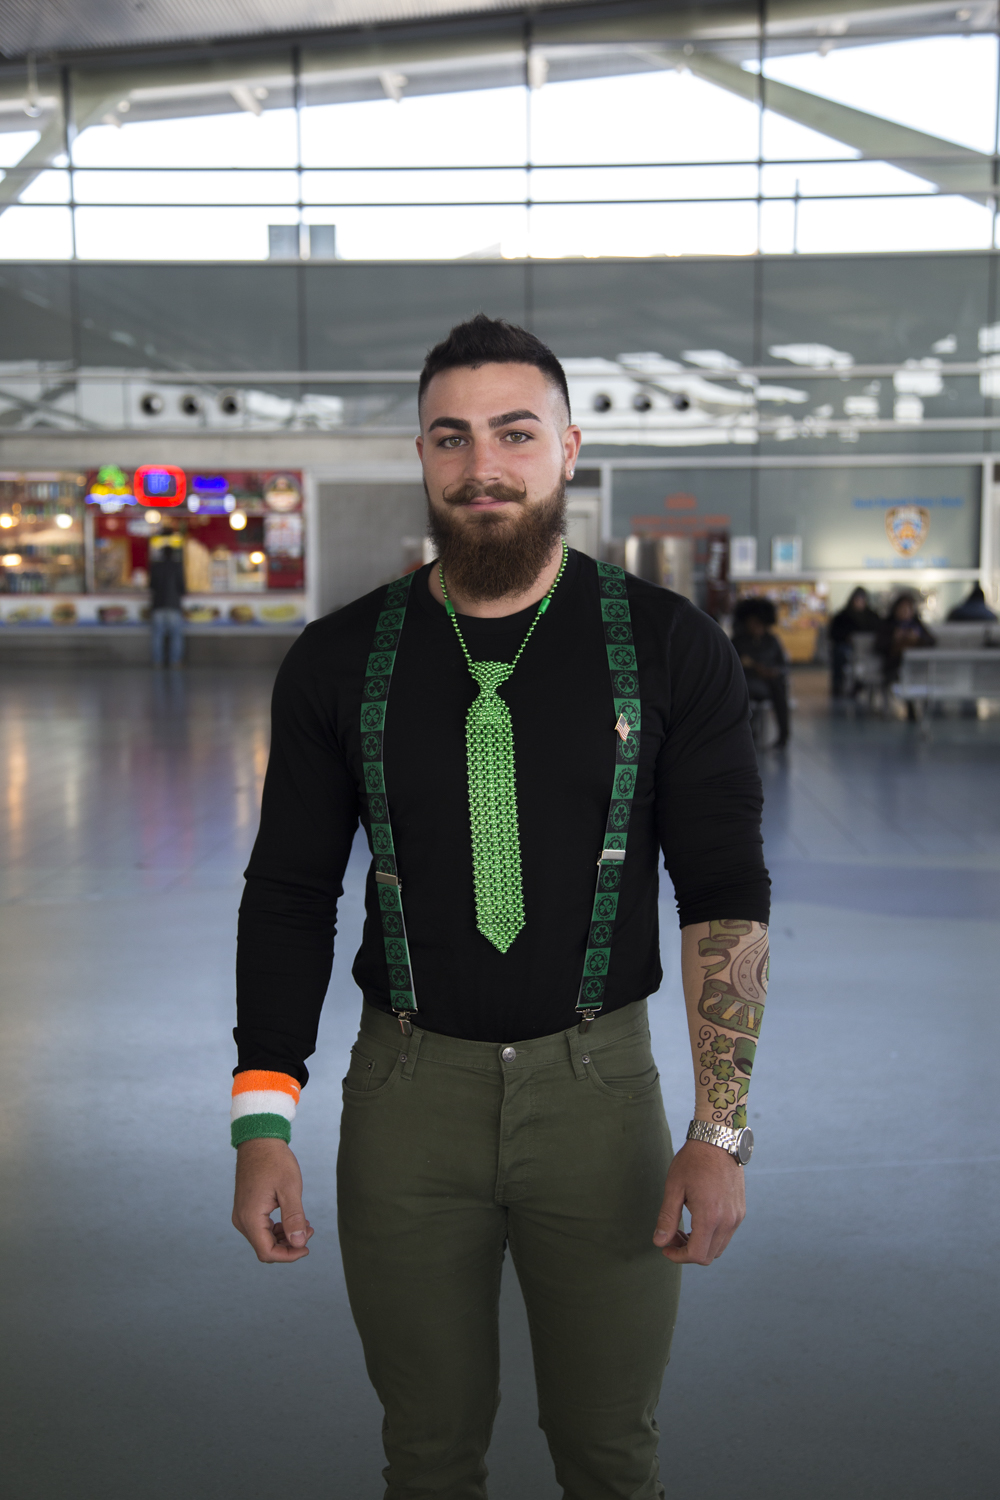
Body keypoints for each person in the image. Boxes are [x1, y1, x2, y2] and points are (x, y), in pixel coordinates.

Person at [230, 316, 771, 1500]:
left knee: (610, 1450)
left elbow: (723, 892)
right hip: (403, 1098)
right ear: (421, 457)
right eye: (452, 437)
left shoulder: (671, 648)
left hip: (603, 1096)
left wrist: (717, 1128)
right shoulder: (335, 661)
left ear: (568, 448)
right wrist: (260, 1124)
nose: (484, 465)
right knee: (426, 1456)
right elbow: (287, 897)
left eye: (515, 433)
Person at [731, 596, 790, 748]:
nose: (757, 627)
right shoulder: (738, 642)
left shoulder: (772, 641)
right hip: (748, 682)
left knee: (780, 690)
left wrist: (774, 672)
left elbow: (782, 665)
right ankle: (749, 732)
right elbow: (734, 667)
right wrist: (755, 669)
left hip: (771, 682)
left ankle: (784, 734)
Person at [875, 593, 935, 719]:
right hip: (894, 667)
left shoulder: (917, 626)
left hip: (917, 667)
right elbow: (878, 647)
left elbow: (931, 641)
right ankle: (910, 708)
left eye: (908, 609)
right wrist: (894, 639)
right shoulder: (888, 626)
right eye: (902, 608)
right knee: (903, 677)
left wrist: (918, 639)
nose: (905, 612)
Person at [828, 586, 882, 698]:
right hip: (847, 648)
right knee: (840, 654)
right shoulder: (842, 616)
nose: (859, 603)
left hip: (868, 650)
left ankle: (860, 685)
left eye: (862, 600)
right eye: (857, 600)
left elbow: (879, 631)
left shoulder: (872, 616)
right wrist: (847, 638)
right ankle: (838, 685)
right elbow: (834, 634)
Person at [148, 523, 186, 667]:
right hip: (173, 605)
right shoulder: (177, 567)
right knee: (176, 636)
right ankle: (175, 661)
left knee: (157, 636)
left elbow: (151, 586)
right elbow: (182, 588)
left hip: (158, 605)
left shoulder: (155, 567)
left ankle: (157, 661)